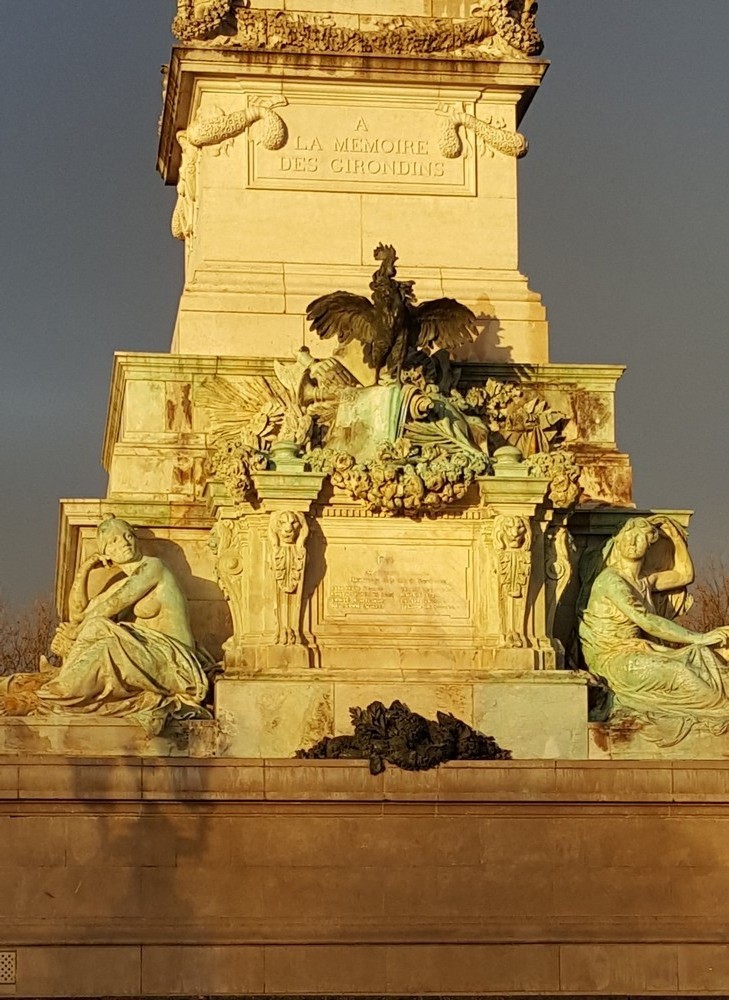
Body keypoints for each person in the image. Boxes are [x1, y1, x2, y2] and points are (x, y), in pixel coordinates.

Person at [0, 517, 210, 734]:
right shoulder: (123, 582)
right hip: (151, 657)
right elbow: (78, 615)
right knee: (95, 629)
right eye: (114, 540)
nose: (125, 542)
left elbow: (113, 604)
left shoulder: (153, 567)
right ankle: (58, 683)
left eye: (128, 536)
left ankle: (45, 698)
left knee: (104, 644)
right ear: (106, 551)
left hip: (176, 662)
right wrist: (85, 567)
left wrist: (74, 635)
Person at [579, 516, 729, 744]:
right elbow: (647, 621)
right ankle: (717, 708)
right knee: (682, 672)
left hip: (638, 651)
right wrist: (699, 637)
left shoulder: (644, 582)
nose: (632, 541)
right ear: (618, 542)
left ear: (650, 544)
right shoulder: (610, 580)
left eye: (640, 537)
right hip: (612, 660)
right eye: (628, 535)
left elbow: (685, 575)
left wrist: (675, 537)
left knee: (703, 659)